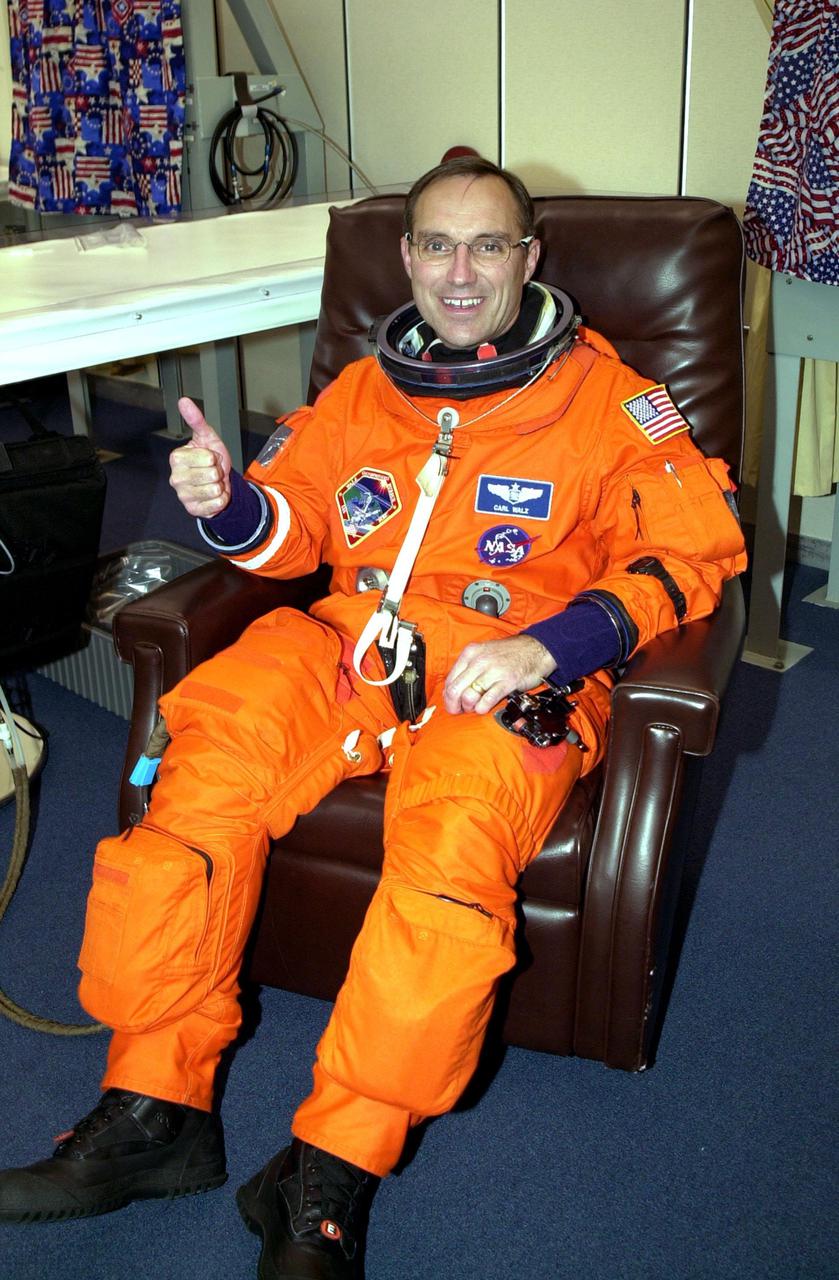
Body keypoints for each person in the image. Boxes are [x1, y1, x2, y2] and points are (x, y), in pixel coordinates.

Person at [0, 157, 746, 1276]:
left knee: (444, 865)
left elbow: (697, 556)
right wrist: (229, 499)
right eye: (435, 245)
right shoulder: (362, 391)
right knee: (201, 767)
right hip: (347, 646)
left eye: (486, 246)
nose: (459, 271)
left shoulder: (608, 402)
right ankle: (155, 1108)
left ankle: (327, 1166)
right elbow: (290, 533)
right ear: (402, 260)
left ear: (527, 258)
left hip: (506, 674)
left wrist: (554, 641)